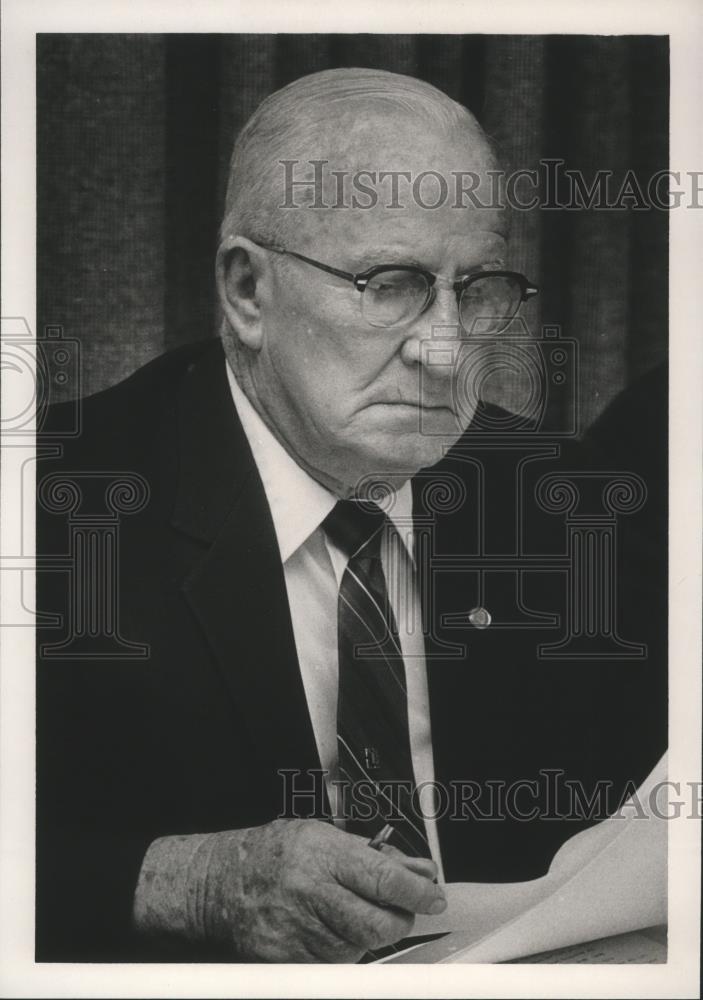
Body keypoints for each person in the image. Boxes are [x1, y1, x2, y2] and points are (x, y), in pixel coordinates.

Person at [36, 68, 667, 962]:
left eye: (476, 287)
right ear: (248, 292)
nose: (446, 347)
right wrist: (177, 879)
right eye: (391, 284)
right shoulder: (53, 504)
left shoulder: (559, 501)